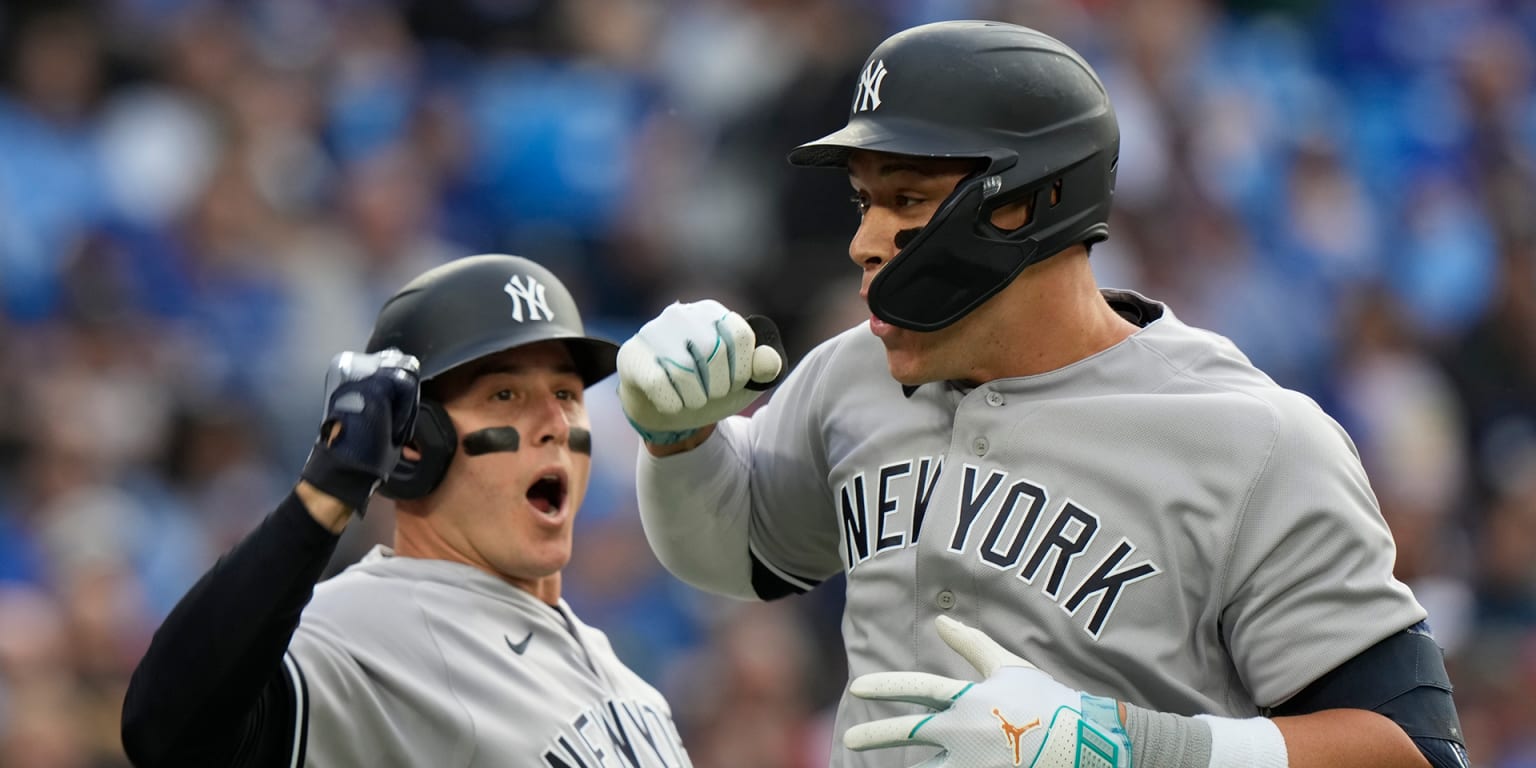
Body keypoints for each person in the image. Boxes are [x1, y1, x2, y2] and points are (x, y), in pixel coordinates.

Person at [616, 21, 1467, 768]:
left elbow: (1414, 752)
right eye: (864, 200)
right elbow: (741, 556)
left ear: (1027, 204)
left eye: (906, 199)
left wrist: (1125, 748)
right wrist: (681, 442)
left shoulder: (1257, 439)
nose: (865, 242)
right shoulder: (849, 375)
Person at [121, 254, 693, 767]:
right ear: (415, 444)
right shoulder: (368, 626)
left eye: (567, 394)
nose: (556, 425)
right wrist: (326, 492)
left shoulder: (628, 681)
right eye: (505, 395)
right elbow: (167, 731)